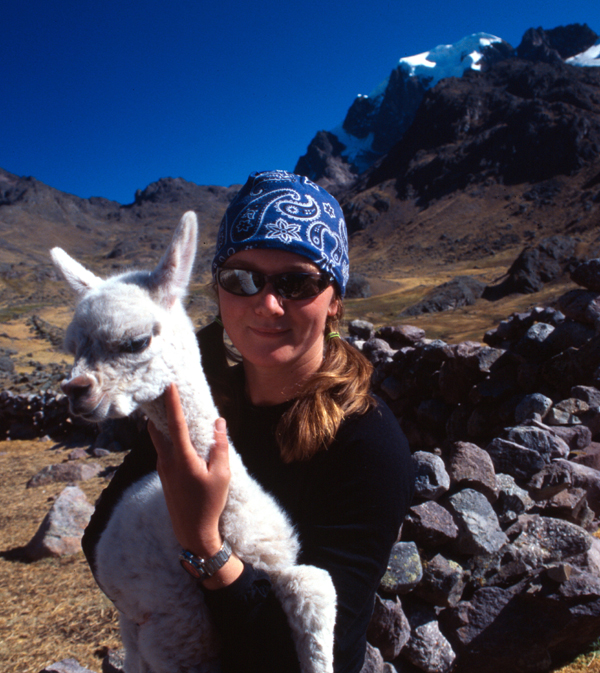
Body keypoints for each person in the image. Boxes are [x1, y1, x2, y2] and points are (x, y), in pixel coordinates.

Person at [82, 170, 414, 673]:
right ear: (218, 289)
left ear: (335, 300)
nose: (267, 303)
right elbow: (100, 542)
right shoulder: (198, 408)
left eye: (297, 282)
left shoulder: (368, 447)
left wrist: (203, 545)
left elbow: (305, 656)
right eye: (242, 278)